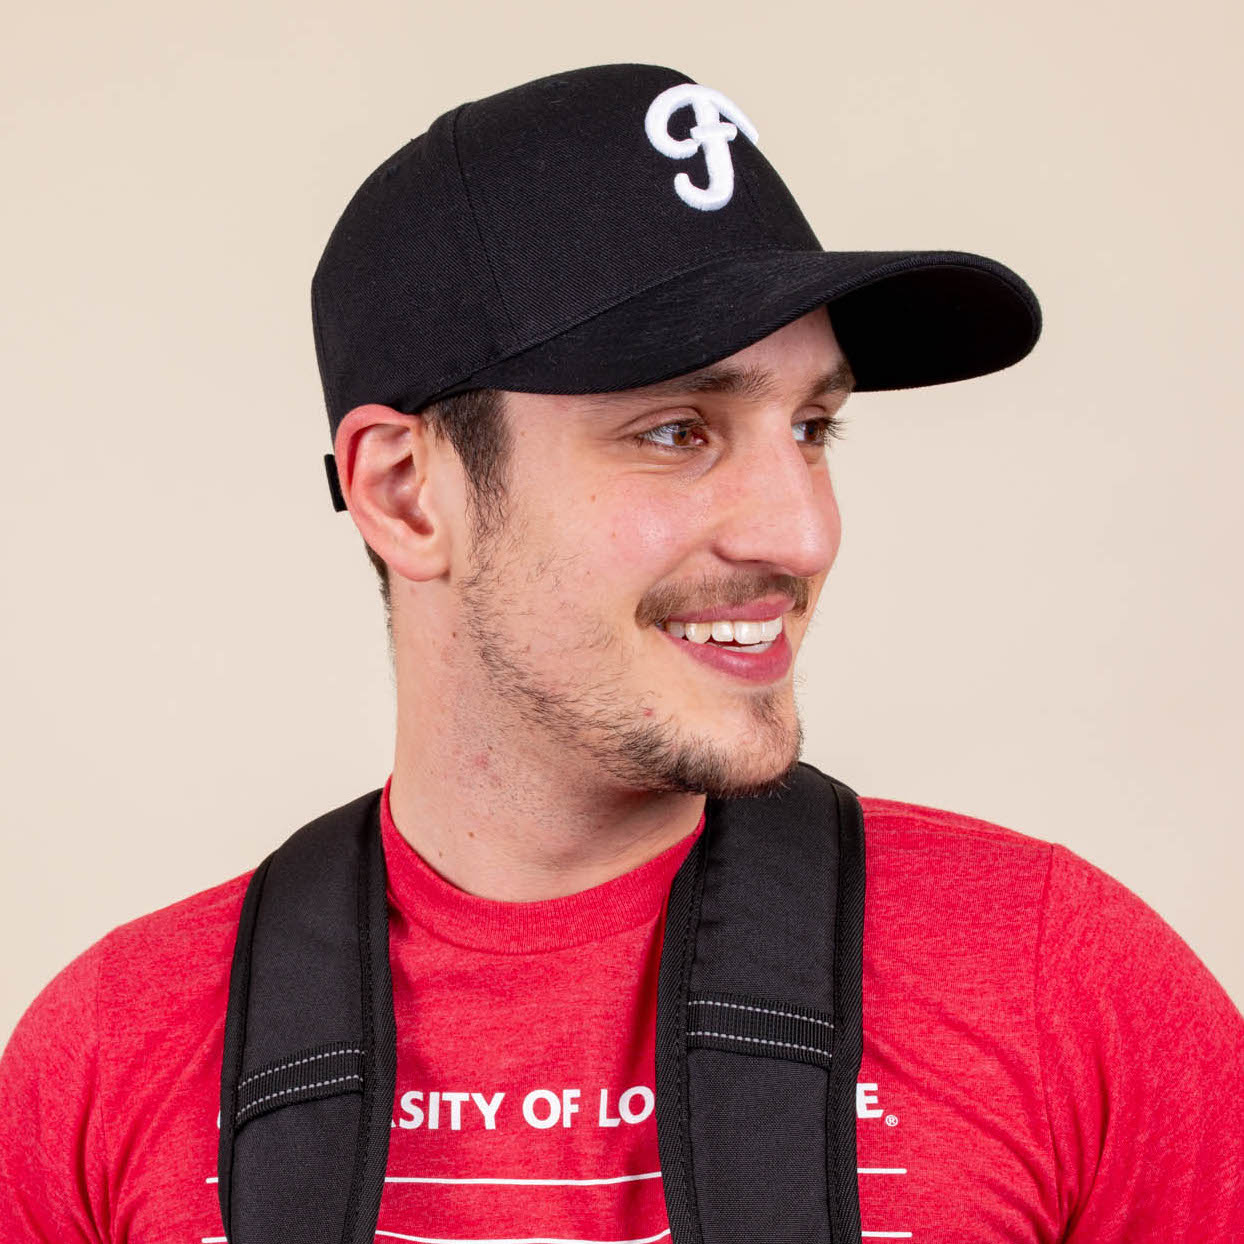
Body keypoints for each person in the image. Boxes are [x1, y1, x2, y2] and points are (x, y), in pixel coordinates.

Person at [2, 62, 1241, 1243]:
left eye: (811, 426)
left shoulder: (1060, 987)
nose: (801, 533)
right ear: (405, 494)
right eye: (674, 430)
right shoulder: (108, 1061)